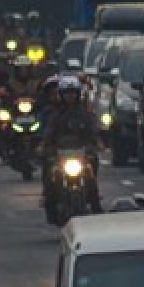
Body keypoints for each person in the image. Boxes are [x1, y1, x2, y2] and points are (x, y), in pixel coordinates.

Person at [40, 75, 102, 216]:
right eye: (67, 93)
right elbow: (49, 132)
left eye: (73, 93)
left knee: (91, 171)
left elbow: (92, 130)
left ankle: (95, 202)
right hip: (60, 153)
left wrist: (97, 143)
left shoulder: (85, 113)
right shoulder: (55, 114)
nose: (70, 96)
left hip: (81, 152)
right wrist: (44, 146)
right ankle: (49, 202)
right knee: (50, 172)